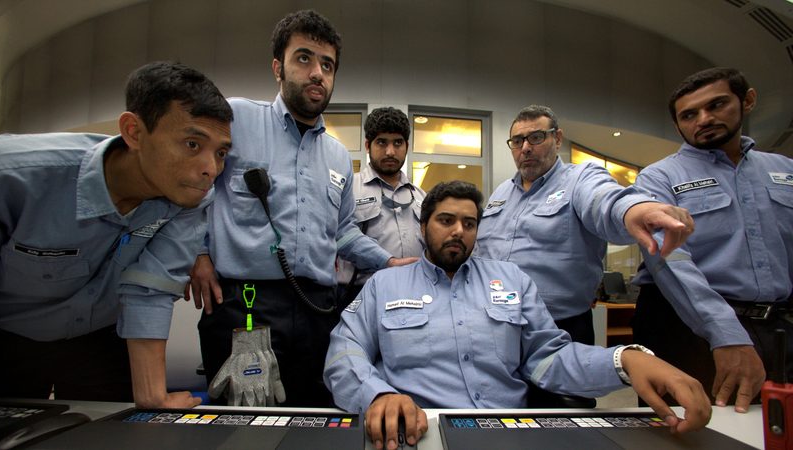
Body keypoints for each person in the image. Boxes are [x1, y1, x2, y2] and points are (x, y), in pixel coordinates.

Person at [324, 181, 712, 450]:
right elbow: (344, 353)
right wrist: (378, 395)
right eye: (446, 221)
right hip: (420, 432)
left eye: (470, 223)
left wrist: (625, 359)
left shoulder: (511, 280)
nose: (459, 231)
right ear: (424, 227)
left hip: (508, 433)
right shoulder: (384, 285)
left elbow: (548, 358)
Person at [189, 10, 415, 407]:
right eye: (304, 58)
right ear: (278, 67)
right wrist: (199, 252)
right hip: (246, 306)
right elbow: (193, 189)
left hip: (316, 309)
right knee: (247, 426)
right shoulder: (236, 118)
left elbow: (343, 231)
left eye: (327, 65)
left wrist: (386, 262)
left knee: (315, 415)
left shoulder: (337, 155)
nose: (317, 73)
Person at [0, 61, 233, 408]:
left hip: (101, 335)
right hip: (7, 335)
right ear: (134, 132)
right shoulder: (12, 176)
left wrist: (152, 396)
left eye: (221, 152)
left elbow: (150, 286)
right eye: (193, 144)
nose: (211, 169)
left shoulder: (190, 199)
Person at [631, 67, 792, 413]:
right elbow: (668, 258)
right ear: (677, 125)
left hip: (778, 326)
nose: (704, 119)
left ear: (746, 101)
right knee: (690, 426)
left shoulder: (784, 171)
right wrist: (725, 332)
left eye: (717, 105)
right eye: (689, 115)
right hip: (691, 327)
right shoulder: (660, 177)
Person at [476, 105, 694, 345]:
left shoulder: (580, 179)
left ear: (557, 138)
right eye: (517, 141)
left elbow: (605, 200)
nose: (525, 148)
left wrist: (637, 210)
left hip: (559, 328)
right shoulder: (502, 192)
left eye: (536, 137)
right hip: (496, 325)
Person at [336, 107, 426, 306]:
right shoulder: (348, 189)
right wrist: (389, 262)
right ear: (368, 145)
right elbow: (340, 237)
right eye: (382, 142)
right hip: (360, 295)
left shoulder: (422, 197)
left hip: (414, 295)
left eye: (397, 143)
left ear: (407, 146)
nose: (390, 152)